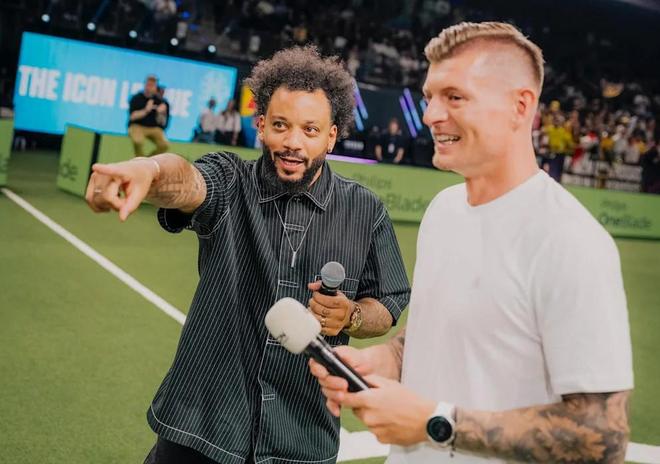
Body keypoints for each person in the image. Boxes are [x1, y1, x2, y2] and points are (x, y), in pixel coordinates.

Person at [311, 21, 633, 463]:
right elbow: (438, 332)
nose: (430, 115)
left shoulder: (570, 240)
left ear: (520, 106)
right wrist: (385, 359)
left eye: (455, 97)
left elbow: (603, 436)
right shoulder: (443, 210)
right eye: (430, 97)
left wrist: (437, 422)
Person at [85, 46, 410, 464]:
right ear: (261, 125)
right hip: (201, 424)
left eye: (310, 130)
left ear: (331, 136)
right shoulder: (231, 180)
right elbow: (187, 181)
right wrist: (148, 171)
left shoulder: (365, 210)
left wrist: (352, 316)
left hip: (300, 438)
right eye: (280, 125)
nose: (293, 142)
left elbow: (387, 304)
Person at [128, 75, 169, 156]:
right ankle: (140, 160)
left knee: (164, 145)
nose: (149, 87)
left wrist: (161, 113)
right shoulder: (136, 98)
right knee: (138, 141)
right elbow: (132, 117)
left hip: (153, 128)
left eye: (152, 85)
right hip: (137, 126)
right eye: (148, 85)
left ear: (156, 87)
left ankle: (149, 160)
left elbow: (162, 123)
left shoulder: (161, 101)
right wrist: (146, 110)